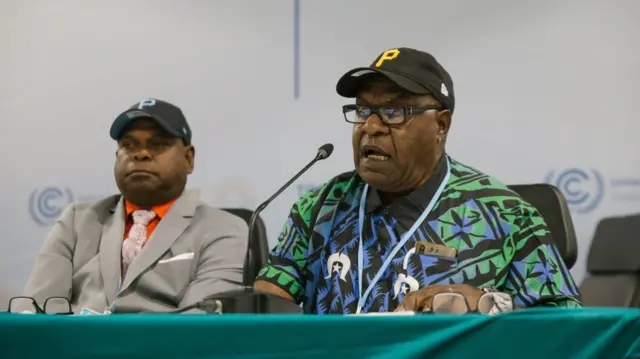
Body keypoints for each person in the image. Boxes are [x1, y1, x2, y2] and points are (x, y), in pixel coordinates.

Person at [254, 48, 582, 314]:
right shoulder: (319, 207)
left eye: (394, 112)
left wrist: (486, 302)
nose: (371, 126)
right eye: (364, 111)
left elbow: (566, 318)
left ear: (441, 125)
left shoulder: (506, 214)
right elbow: (267, 301)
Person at [20, 99, 248, 314]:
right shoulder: (77, 221)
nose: (141, 154)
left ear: (188, 159)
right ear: (117, 156)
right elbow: (35, 313)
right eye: (129, 145)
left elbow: (200, 327)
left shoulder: (224, 229)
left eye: (158, 144)